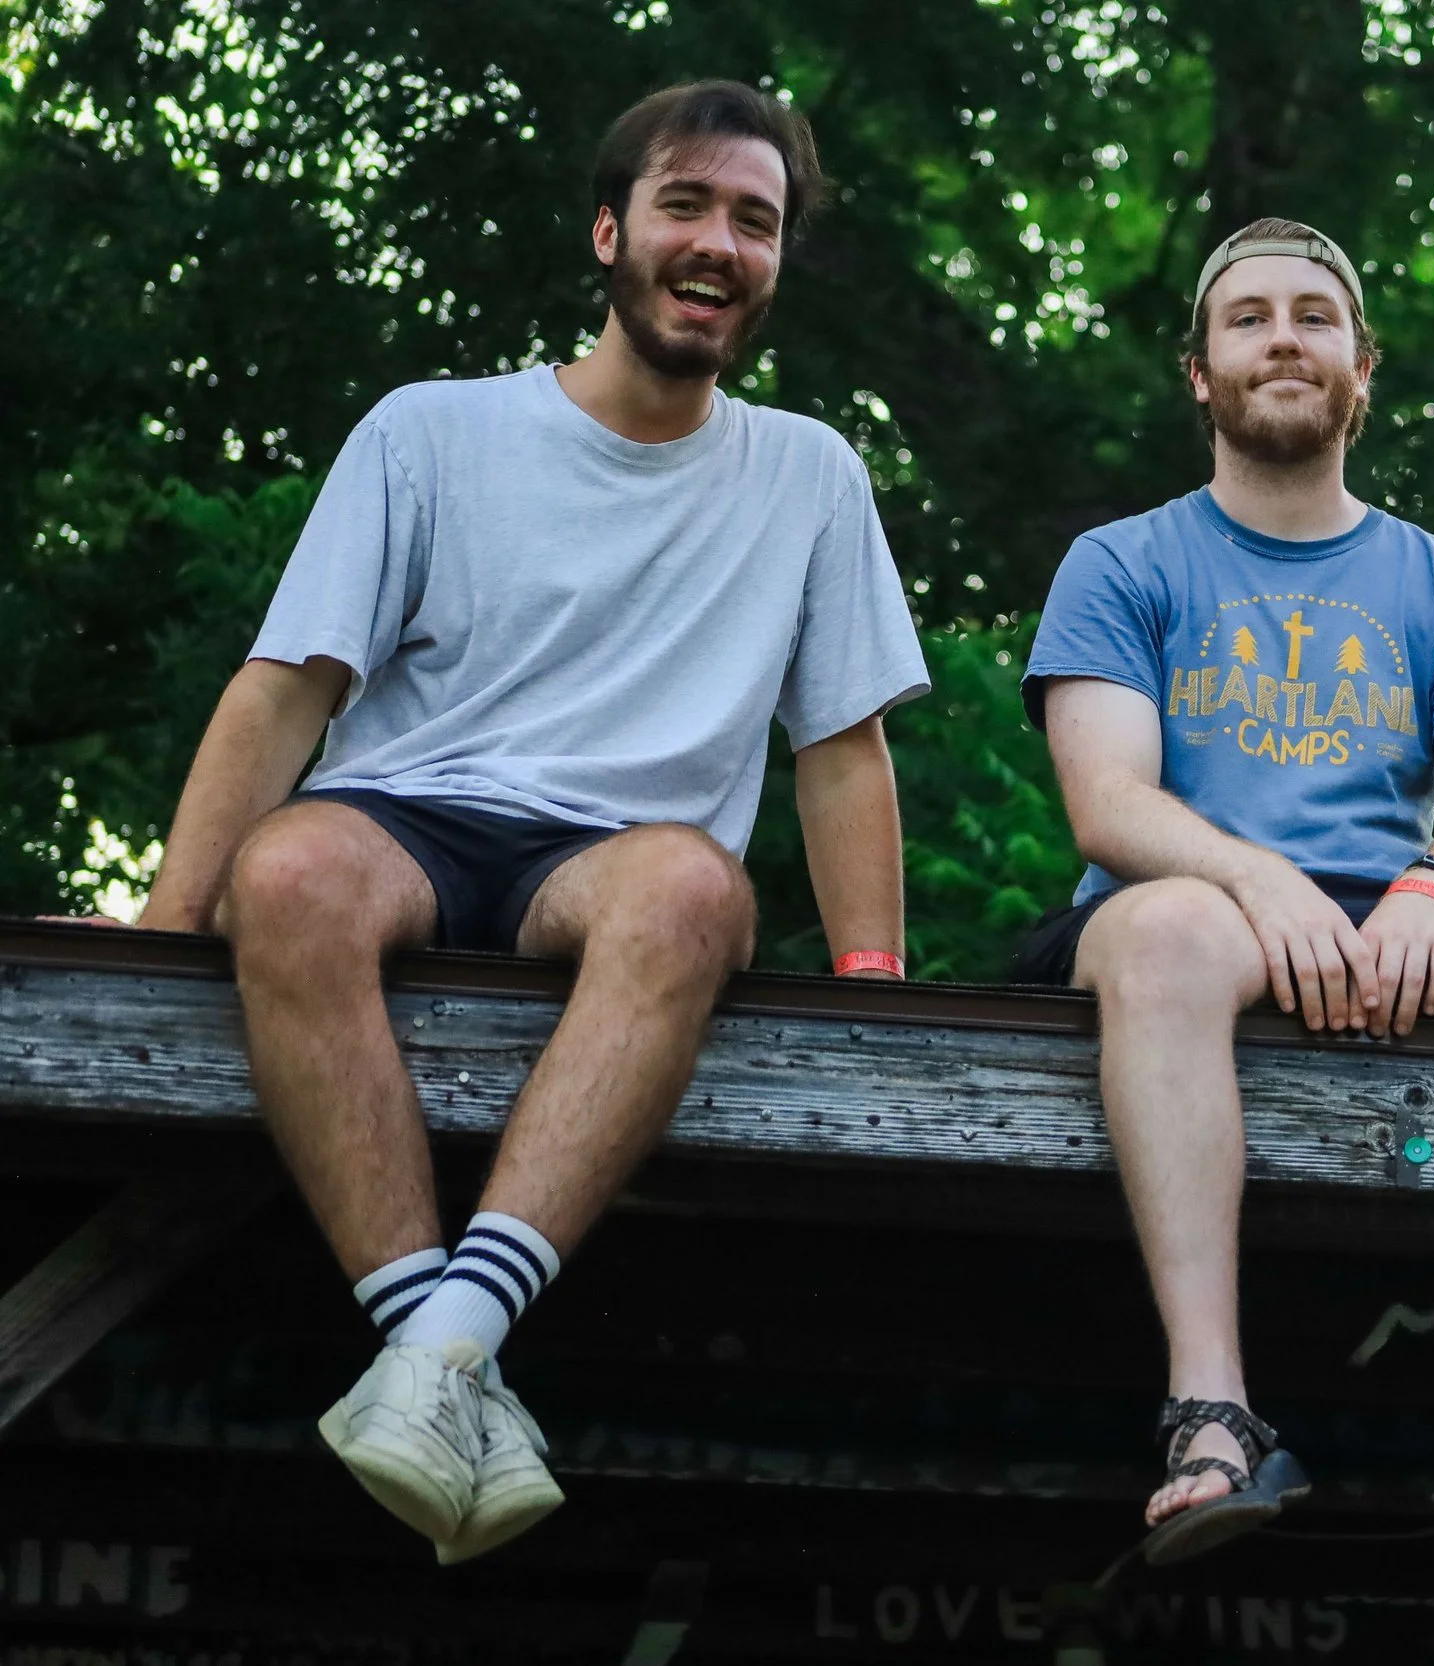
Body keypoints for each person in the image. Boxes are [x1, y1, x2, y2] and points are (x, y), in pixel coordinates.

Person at [124, 82, 929, 1563]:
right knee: (288, 865)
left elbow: (842, 748)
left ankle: (437, 1351)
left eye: (756, 222)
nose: (720, 243)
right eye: (687, 204)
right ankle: (444, 1361)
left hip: (616, 860)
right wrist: (166, 931)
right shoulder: (432, 431)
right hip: (405, 816)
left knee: (695, 893)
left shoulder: (810, 474)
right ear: (612, 230)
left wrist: (873, 988)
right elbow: (285, 692)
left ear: (773, 265)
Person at [1012, 219, 1434, 1600]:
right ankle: (1213, 1415)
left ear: (1365, 368)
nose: (1284, 338)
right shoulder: (1122, 563)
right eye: (1249, 319)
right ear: (1200, 372)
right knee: (1176, 926)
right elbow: (1108, 803)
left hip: (1390, 914)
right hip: (1174, 907)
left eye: (1314, 316)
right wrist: (1255, 877)